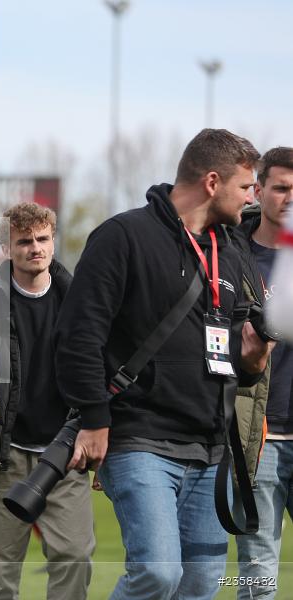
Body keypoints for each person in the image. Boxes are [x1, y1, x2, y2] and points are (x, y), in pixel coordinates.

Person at [54, 129, 274, 600]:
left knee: (200, 584)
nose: (252, 197)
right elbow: (78, 336)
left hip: (212, 447)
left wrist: (252, 361)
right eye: (245, 186)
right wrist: (93, 418)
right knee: (158, 574)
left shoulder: (231, 251)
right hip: (139, 438)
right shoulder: (123, 235)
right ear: (212, 182)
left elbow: (234, 357)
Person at [0, 202, 94, 600]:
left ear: (53, 240)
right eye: (23, 241)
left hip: (65, 454)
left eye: (43, 239)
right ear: (7, 248)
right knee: (1, 571)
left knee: (75, 556)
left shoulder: (81, 301)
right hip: (4, 456)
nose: (35, 248)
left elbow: (100, 370)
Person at [233, 146, 293, 599]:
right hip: (259, 435)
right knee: (257, 570)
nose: (290, 198)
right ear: (259, 190)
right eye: (282, 188)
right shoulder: (230, 253)